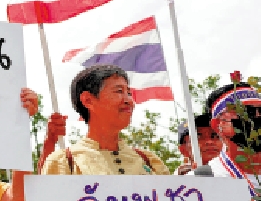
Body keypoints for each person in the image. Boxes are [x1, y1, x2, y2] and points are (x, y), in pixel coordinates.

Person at [40, 65, 169, 176]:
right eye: (119, 91)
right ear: (88, 100)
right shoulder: (64, 162)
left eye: (129, 93)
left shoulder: (150, 162)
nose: (129, 100)